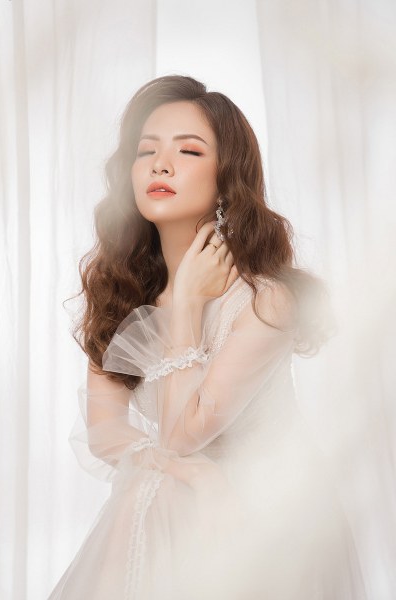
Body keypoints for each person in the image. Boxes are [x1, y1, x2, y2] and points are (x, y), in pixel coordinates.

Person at [48, 75, 368, 599]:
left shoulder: (264, 299)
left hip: (270, 515)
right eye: (146, 150)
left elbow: (183, 436)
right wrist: (193, 475)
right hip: (187, 502)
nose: (160, 164)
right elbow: (105, 433)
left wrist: (189, 307)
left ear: (226, 179)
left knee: (157, 493)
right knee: (155, 490)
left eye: (189, 150)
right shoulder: (120, 292)